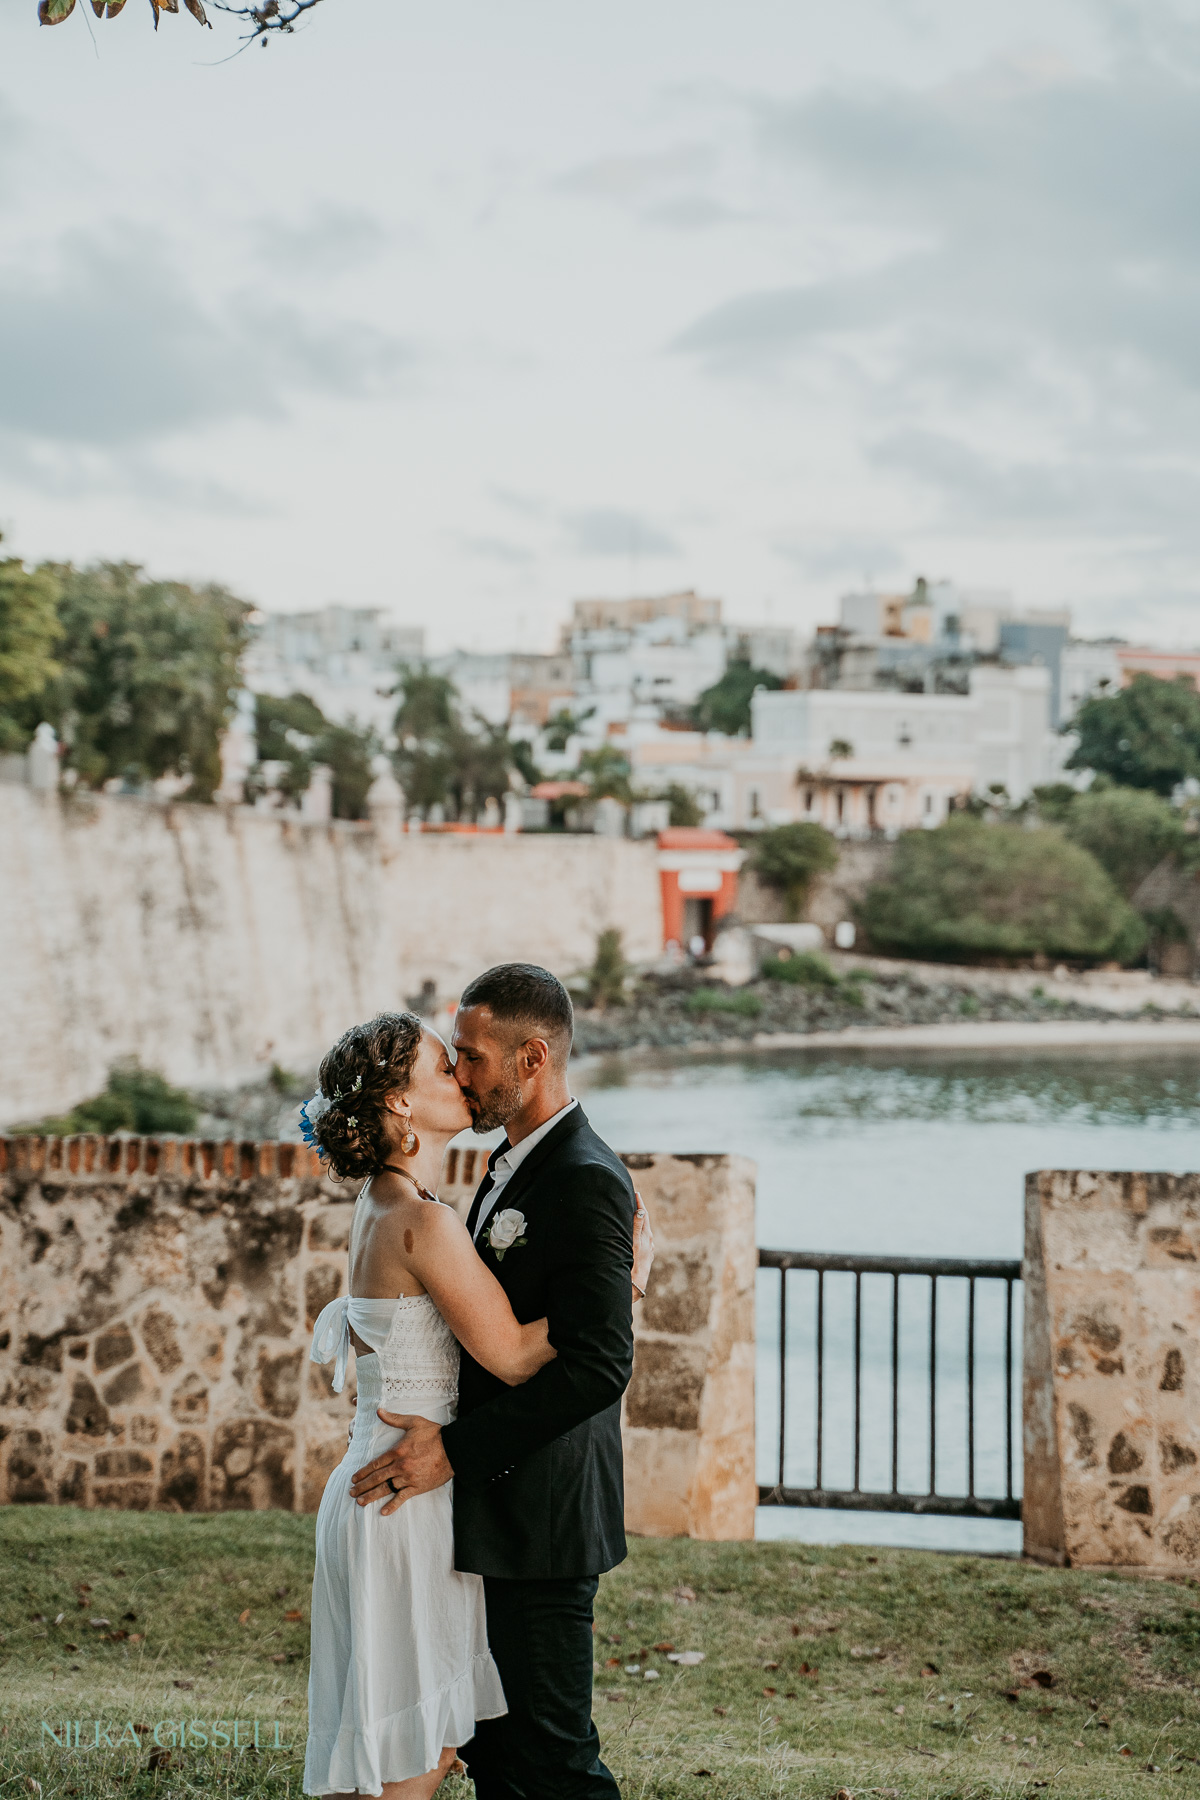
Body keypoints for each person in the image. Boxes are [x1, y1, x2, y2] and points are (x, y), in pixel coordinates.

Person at [304, 999, 652, 1798]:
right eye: (442, 1064)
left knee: (401, 1745)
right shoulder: (423, 1220)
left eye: (464, 1057)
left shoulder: (386, 1205)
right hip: (403, 1502)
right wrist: (625, 1281)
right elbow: (521, 1354)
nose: (458, 1075)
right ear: (400, 1103)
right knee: (412, 1757)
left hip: (380, 1489)